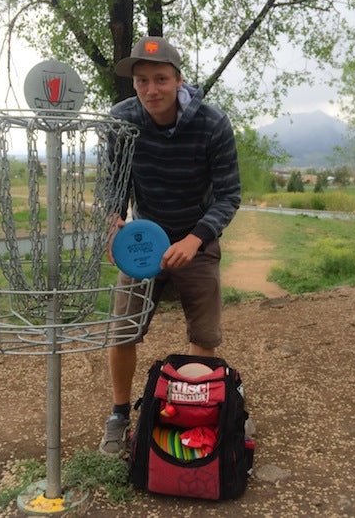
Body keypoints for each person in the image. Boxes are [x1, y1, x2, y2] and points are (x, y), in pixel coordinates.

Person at [99, 36, 241, 456]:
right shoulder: (121, 122)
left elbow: (229, 195)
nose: (151, 90)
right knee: (122, 329)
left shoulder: (213, 124)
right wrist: (114, 222)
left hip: (196, 236)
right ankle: (119, 416)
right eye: (142, 81)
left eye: (160, 79)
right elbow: (114, 184)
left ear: (180, 80)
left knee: (204, 334)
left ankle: (191, 414)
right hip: (144, 239)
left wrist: (196, 239)